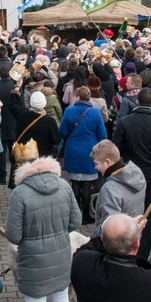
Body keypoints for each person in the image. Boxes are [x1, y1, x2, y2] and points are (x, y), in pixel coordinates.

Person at [4, 155, 81, 302]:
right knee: (61, 297)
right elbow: (76, 221)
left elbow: (13, 235)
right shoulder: (64, 186)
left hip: (33, 261)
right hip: (61, 256)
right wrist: (60, 232)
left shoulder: (19, 193)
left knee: (35, 299)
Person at [112, 87, 151, 261]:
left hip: (129, 174)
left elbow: (116, 149)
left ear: (137, 101)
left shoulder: (125, 122)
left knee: (127, 213)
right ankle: (142, 256)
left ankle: (124, 251)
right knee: (147, 217)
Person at [71, 213, 151, 302]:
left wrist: (113, 236)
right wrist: (129, 233)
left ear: (102, 239)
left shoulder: (82, 264)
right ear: (137, 245)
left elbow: (86, 248)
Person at [60, 86, 107, 225]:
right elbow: (102, 135)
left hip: (73, 151)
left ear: (78, 97)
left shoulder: (69, 111)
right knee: (87, 184)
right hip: (90, 152)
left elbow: (62, 130)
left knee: (75, 183)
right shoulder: (95, 112)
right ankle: (86, 215)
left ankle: (74, 215)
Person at [90, 140, 146, 238]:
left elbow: (108, 228)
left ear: (107, 162)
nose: (95, 167)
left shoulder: (110, 189)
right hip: (134, 238)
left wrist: (93, 238)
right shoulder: (138, 175)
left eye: (97, 164)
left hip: (116, 244)